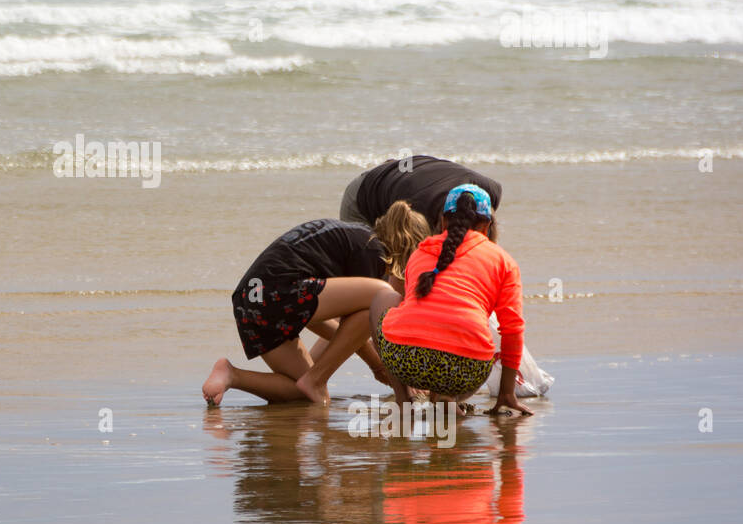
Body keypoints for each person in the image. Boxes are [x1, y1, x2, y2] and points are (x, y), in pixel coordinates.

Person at [203, 203, 430, 407]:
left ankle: (232, 375)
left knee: (302, 392)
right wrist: (378, 366)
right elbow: (367, 317)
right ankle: (316, 379)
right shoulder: (371, 251)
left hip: (251, 303)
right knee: (382, 296)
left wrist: (368, 358)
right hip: (275, 293)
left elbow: (314, 315)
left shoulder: (354, 238)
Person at [369, 185, 531, 417]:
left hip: (405, 362)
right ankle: (447, 398)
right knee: (464, 325)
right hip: (465, 372)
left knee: (383, 296)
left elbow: (418, 312)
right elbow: (512, 329)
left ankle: (404, 399)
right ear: (486, 226)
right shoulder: (503, 261)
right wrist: (507, 393)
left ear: (443, 221)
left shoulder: (420, 252)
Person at [339, 155, 503, 231]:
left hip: (414, 174)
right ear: (442, 223)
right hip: (364, 193)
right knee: (380, 277)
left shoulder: (490, 193)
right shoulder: (419, 212)